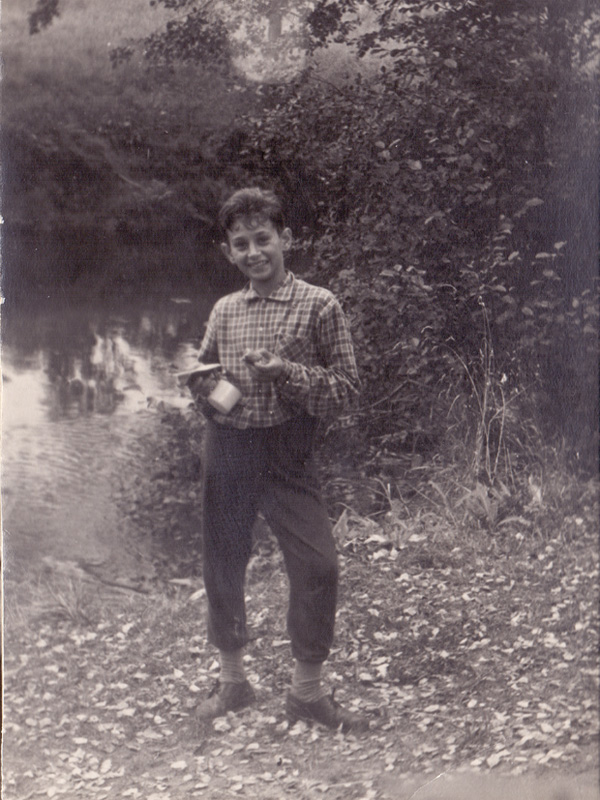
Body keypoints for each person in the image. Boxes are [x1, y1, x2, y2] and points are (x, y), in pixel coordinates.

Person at [192, 187, 368, 732]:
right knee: (223, 560)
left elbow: (347, 390)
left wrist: (285, 374)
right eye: (240, 244)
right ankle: (232, 682)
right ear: (228, 252)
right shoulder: (225, 310)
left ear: (285, 239)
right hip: (228, 449)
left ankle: (307, 694)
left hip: (288, 452)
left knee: (318, 565)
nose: (253, 252)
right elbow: (205, 370)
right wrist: (204, 388)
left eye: (262, 239)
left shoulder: (320, 304)